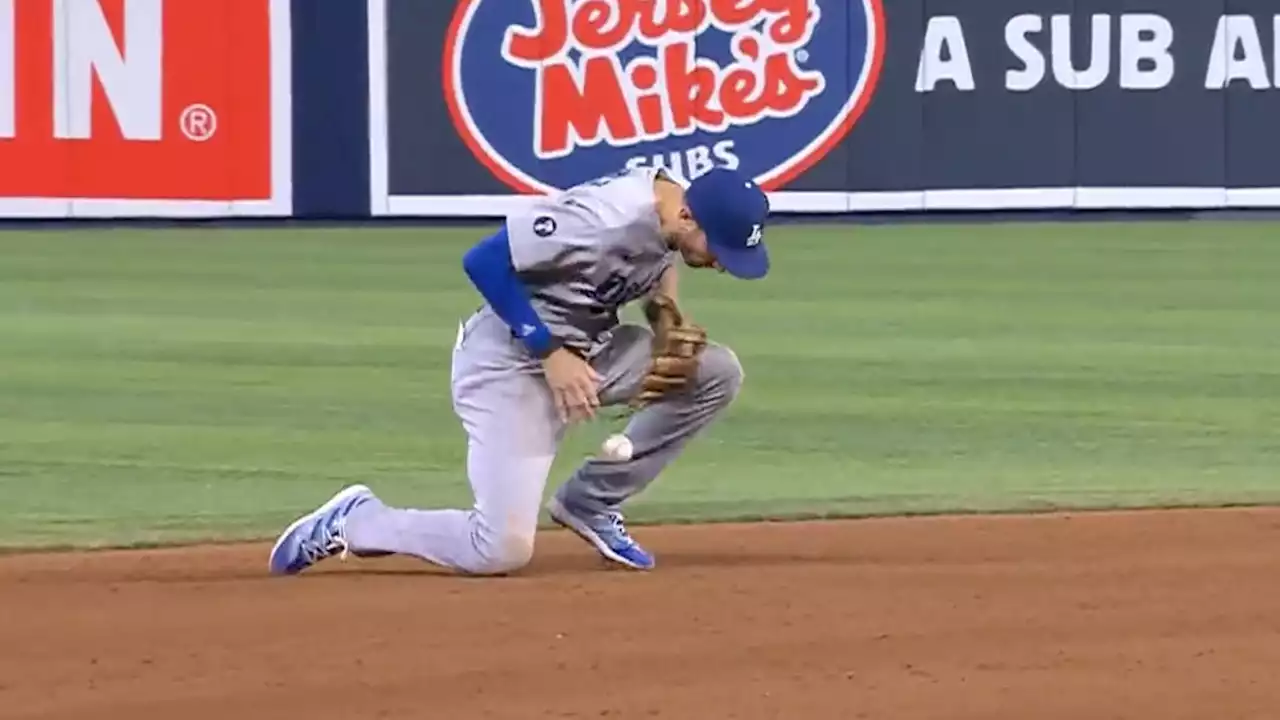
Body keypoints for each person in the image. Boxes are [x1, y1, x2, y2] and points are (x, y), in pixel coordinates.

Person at [267, 165, 770, 576]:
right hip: (509, 362)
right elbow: (484, 261)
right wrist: (551, 353)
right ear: (686, 215)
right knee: (499, 550)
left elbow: (658, 261)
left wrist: (664, 318)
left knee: (714, 372)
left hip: (589, 352)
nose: (723, 264)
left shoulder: (669, 213)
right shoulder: (601, 218)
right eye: (720, 250)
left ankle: (590, 502)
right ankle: (357, 521)